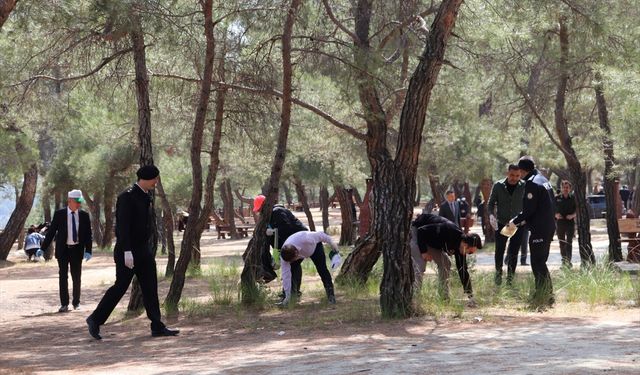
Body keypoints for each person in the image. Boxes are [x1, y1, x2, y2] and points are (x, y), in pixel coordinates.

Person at [86, 165, 179, 340]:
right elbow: (122, 227)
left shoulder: (146, 197)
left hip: (143, 250)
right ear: (146, 178)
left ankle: (157, 326)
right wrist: (127, 251)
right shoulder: (127, 197)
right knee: (120, 287)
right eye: (155, 179)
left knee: (150, 287)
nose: (156, 182)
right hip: (127, 250)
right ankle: (95, 319)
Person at [505, 156, 556, 309]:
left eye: (519, 172)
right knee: (541, 262)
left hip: (540, 229)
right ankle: (546, 293)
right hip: (547, 226)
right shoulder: (543, 180)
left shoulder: (532, 183)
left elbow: (528, 210)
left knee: (537, 262)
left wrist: (514, 221)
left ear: (521, 170)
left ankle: (543, 294)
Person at [41, 190, 93, 312]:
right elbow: (52, 232)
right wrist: (42, 248)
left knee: (76, 277)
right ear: (69, 201)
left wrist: (88, 250)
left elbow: (88, 235)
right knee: (63, 277)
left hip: (77, 250)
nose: (79, 204)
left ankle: (76, 303)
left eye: (80, 202)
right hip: (63, 250)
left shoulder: (84, 215)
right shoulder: (60, 214)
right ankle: (64, 304)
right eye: (77, 201)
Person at [413, 213, 482, 305]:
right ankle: (414, 299)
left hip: (430, 241)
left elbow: (463, 271)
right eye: (470, 252)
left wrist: (471, 296)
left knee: (446, 263)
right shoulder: (449, 229)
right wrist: (424, 252)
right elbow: (421, 231)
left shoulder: (460, 249)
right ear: (465, 245)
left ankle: (443, 298)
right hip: (417, 233)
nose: (468, 254)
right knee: (420, 264)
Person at [252, 195, 308, 289]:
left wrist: (274, 232)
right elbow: (275, 237)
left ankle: (292, 292)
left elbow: (286, 229)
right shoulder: (269, 216)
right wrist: (276, 253)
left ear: (265, 206)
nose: (259, 212)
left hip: (299, 239)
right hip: (290, 242)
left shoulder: (277, 212)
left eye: (260, 209)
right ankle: (290, 292)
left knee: (293, 264)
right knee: (291, 265)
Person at [278, 231, 341, 306]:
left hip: (315, 248)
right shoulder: (284, 257)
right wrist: (287, 295)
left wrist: (332, 243)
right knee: (292, 270)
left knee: (322, 270)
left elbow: (321, 235)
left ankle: (331, 296)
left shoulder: (306, 239)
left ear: (296, 253)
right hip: (301, 252)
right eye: (291, 261)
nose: (293, 261)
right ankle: (291, 297)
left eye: (293, 259)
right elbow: (286, 276)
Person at [487, 164, 526, 286]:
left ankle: (510, 280)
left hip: (518, 224)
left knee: (513, 252)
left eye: (517, 176)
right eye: (512, 175)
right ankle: (498, 277)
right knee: (499, 250)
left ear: (520, 175)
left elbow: (528, 204)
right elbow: (490, 203)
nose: (514, 178)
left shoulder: (524, 186)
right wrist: (491, 215)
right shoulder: (498, 185)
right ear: (507, 173)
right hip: (502, 223)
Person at [555, 180, 577, 268]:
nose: (565, 189)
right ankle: (564, 261)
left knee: (569, 242)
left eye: (567, 187)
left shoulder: (573, 198)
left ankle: (569, 261)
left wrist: (572, 215)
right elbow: (551, 209)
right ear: (561, 188)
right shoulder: (556, 198)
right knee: (561, 242)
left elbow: (577, 210)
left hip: (570, 222)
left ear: (570, 189)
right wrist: (555, 215)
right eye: (564, 187)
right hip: (560, 222)